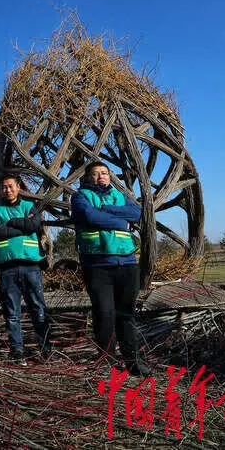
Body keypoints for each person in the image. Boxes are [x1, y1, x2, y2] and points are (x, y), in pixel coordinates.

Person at [71, 161, 151, 376]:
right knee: (104, 314)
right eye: (95, 174)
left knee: (126, 315)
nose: (101, 177)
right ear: (87, 178)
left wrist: (107, 209)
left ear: (110, 176)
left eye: (104, 173)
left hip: (126, 263)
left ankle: (133, 362)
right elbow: (89, 216)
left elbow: (137, 214)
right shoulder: (80, 196)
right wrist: (119, 222)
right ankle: (107, 363)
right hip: (97, 264)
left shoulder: (119, 195)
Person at [0, 173, 51, 366]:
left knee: (38, 308)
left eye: (11, 186)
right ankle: (17, 351)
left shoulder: (28, 206)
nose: (8, 190)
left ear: (18, 187)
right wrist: (23, 225)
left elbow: (34, 224)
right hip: (7, 268)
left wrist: (11, 223)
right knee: (12, 312)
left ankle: (45, 349)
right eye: (4, 187)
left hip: (31, 265)